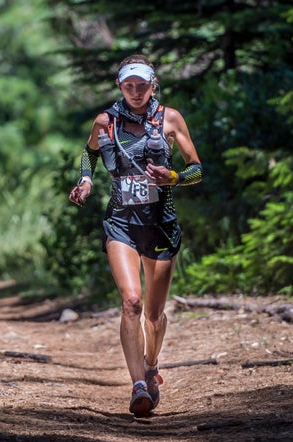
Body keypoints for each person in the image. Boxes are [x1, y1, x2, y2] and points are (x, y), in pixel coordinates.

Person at [68, 54, 202, 417]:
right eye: (129, 86)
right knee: (131, 302)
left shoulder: (169, 119)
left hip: (160, 224)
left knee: (155, 316)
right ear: (120, 87)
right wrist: (86, 180)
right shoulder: (105, 122)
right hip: (121, 224)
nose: (136, 92)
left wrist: (172, 178)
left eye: (142, 85)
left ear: (153, 84)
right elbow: (88, 154)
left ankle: (151, 363)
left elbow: (197, 170)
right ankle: (138, 385)